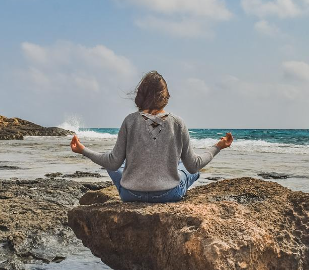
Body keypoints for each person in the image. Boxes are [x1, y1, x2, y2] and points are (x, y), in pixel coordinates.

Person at [70, 71, 233, 203]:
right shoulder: (177, 123)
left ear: (140, 95)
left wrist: (83, 150)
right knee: (189, 169)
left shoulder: (129, 121)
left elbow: (112, 162)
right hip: (168, 195)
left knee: (114, 164)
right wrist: (218, 146)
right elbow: (194, 164)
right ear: (165, 95)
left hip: (131, 195)